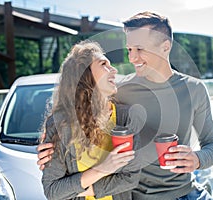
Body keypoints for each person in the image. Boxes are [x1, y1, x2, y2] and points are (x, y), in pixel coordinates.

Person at [38, 12, 213, 200]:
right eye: (129, 50)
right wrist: (50, 139)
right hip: (135, 196)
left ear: (165, 47)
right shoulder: (120, 91)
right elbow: (79, 106)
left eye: (140, 49)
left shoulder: (195, 89)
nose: (132, 58)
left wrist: (198, 159)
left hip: (185, 193)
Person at [40, 40, 141, 200]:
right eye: (104, 64)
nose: (113, 70)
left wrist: (83, 189)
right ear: (84, 74)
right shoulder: (60, 124)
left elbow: (131, 177)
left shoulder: (125, 117)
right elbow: (53, 190)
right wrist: (104, 169)